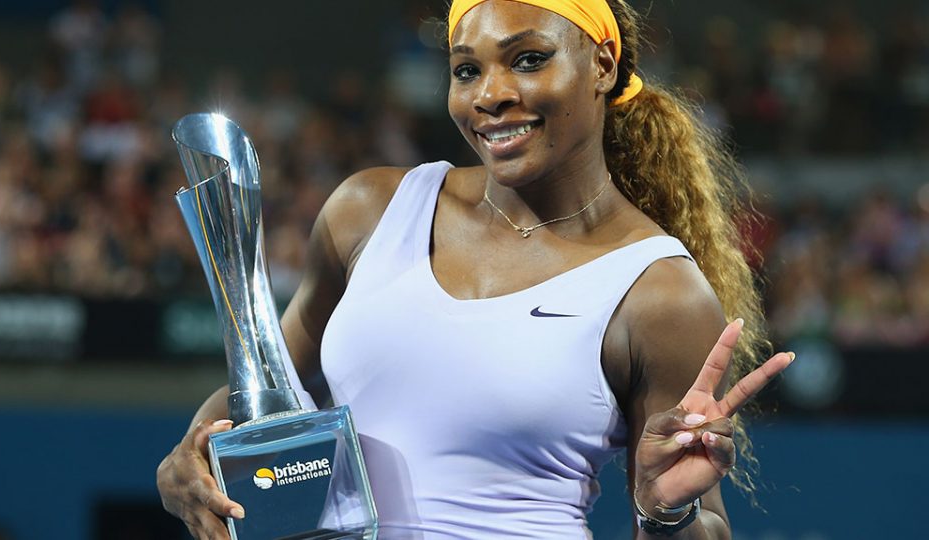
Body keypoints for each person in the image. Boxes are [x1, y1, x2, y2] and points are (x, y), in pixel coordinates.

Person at [156, 0, 794, 538]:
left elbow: (699, 520)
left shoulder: (662, 293)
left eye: (527, 59)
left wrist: (668, 511)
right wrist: (191, 456)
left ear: (602, 64)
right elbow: (265, 392)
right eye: (467, 70)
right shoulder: (369, 211)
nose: (491, 95)